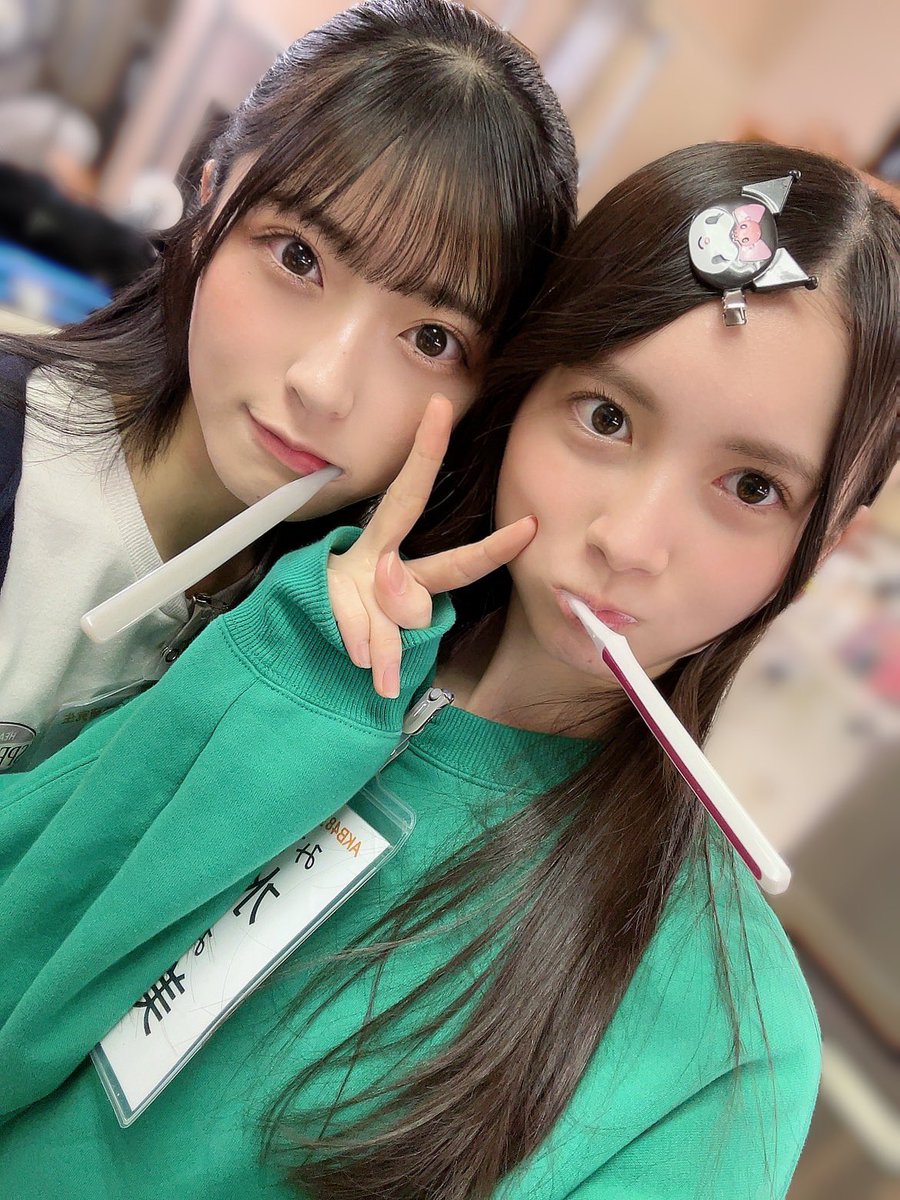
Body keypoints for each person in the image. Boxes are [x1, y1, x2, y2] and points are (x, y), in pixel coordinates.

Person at [0, 141, 896, 1199]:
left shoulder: (728, 1047)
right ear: (522, 395)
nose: (630, 541)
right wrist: (279, 680)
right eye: (606, 418)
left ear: (823, 545)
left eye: (750, 488)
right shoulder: (293, 617)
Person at [0, 0, 577, 771]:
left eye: (431, 340)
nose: (324, 385)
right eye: (297, 258)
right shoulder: (18, 462)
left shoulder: (357, 636)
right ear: (209, 198)